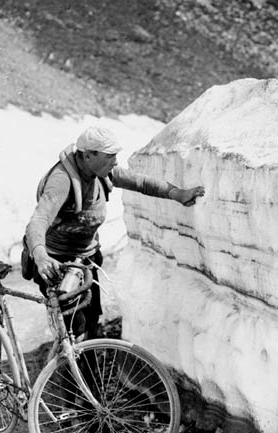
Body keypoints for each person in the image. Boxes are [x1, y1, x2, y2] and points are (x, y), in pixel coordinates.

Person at [24, 126, 205, 339]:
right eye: (110, 156)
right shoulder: (62, 180)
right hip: (57, 262)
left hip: (85, 260)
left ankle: (89, 371)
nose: (115, 162)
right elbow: (38, 220)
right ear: (88, 156)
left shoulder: (101, 173)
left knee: (91, 321)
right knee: (74, 327)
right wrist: (40, 255)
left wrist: (177, 193)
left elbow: (141, 182)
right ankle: (63, 370)